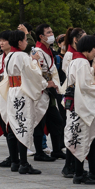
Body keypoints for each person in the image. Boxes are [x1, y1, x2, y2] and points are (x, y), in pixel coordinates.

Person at [0, 29, 46, 175]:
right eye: (25, 40)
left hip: (12, 91)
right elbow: (34, 74)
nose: (26, 42)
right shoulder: (23, 56)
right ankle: (24, 163)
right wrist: (35, 61)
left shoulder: (9, 56)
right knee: (23, 125)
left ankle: (15, 161)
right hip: (22, 92)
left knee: (12, 126)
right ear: (19, 42)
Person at [61, 34, 95, 184]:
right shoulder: (82, 62)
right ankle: (79, 174)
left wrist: (94, 86)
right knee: (81, 138)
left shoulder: (76, 61)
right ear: (89, 48)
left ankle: (85, 171)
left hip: (75, 103)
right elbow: (82, 87)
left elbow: (79, 84)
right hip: (80, 106)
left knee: (87, 138)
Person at [26, 23, 65, 162]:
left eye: (51, 32)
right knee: (39, 122)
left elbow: (53, 71)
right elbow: (33, 72)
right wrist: (46, 83)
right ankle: (39, 153)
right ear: (41, 37)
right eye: (48, 33)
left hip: (49, 91)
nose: (51, 35)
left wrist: (56, 86)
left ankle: (56, 150)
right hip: (40, 91)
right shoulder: (36, 51)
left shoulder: (48, 51)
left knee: (57, 121)